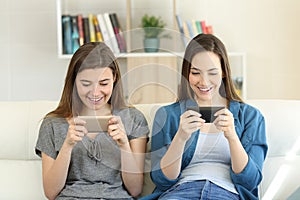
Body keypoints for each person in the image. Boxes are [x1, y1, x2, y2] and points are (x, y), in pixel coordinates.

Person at [144, 34, 268, 200]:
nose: (204, 82)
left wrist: (232, 137)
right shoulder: (167, 115)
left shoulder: (251, 117)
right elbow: (162, 180)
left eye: (212, 73)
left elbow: (250, 181)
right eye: (196, 73)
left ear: (224, 72)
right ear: (187, 73)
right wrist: (180, 138)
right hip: (179, 192)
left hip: (227, 193)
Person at [35, 42, 149, 200]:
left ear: (114, 78)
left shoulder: (134, 119)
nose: (95, 92)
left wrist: (124, 145)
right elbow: (51, 192)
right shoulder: (52, 124)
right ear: (74, 81)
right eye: (86, 84)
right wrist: (67, 146)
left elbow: (135, 190)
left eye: (103, 83)